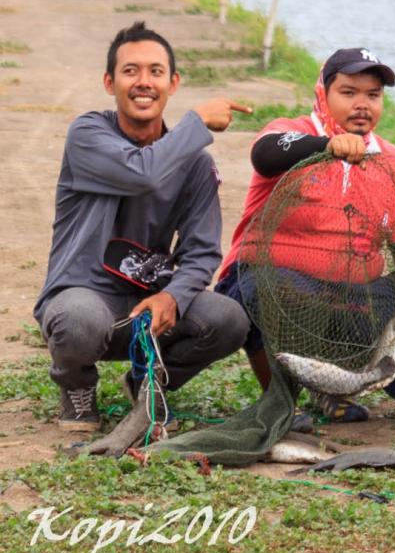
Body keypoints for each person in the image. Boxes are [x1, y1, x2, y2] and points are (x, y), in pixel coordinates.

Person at [36, 21, 252, 432]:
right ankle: (77, 387)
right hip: (84, 299)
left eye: (155, 72)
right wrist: (197, 122)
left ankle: (144, 382)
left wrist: (172, 295)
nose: (143, 82)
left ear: (172, 82)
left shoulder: (195, 163)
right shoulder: (87, 134)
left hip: (147, 306)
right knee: (78, 321)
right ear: (109, 82)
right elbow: (143, 173)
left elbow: (202, 251)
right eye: (130, 71)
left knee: (228, 320)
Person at [215, 47, 395, 422]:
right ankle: (278, 398)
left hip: (348, 292)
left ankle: (334, 387)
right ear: (323, 92)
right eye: (349, 93)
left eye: (373, 95)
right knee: (266, 289)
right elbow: (265, 154)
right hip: (270, 280)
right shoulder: (293, 132)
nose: (362, 105)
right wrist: (326, 146)